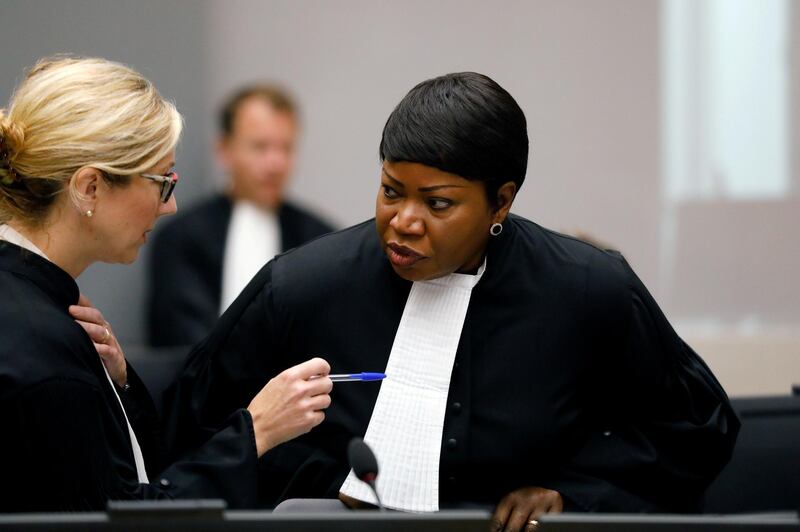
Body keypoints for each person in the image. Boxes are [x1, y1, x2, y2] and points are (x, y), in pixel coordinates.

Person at [164, 72, 740, 530]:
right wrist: (317, 481)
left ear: (501, 203)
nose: (402, 222)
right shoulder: (302, 285)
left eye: (437, 204)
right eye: (391, 191)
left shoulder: (589, 289)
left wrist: (576, 494)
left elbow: (700, 426)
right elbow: (187, 429)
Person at [0, 56, 332, 512]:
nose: (168, 206)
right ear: (90, 188)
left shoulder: (42, 316)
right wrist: (255, 431)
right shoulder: (44, 349)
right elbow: (128, 520)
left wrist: (117, 384)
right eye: (162, 182)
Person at [146, 84, 334, 347]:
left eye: (286, 148)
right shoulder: (182, 238)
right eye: (260, 147)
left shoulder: (320, 239)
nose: (276, 163)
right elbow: (182, 338)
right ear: (224, 150)